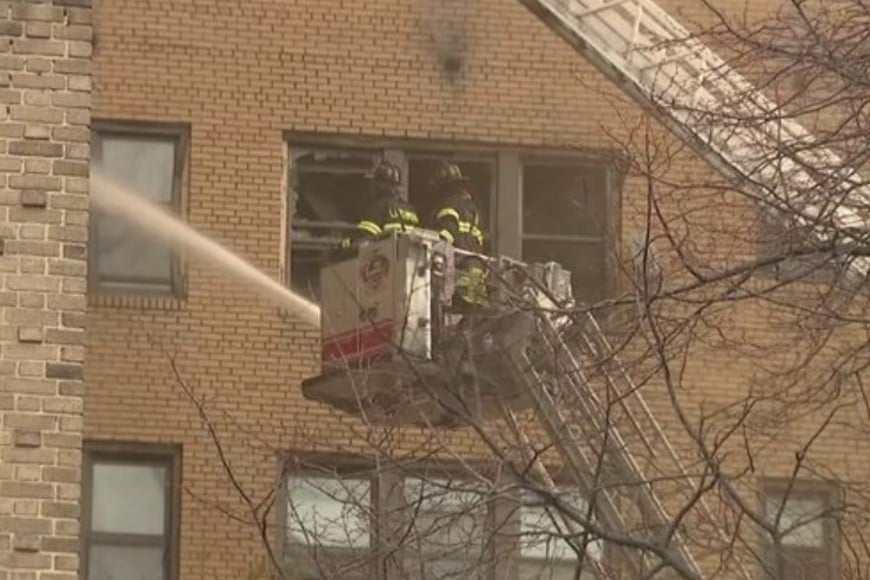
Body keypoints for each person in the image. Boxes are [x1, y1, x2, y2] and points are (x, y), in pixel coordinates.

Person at [430, 161, 489, 312]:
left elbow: (446, 235)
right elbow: (479, 240)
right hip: (476, 267)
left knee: (452, 315)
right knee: (472, 316)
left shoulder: (448, 204)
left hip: (457, 268)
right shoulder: (472, 208)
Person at [340, 160, 419, 249]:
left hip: (387, 258)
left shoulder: (376, 208)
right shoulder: (411, 209)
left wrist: (348, 243)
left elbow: (366, 238)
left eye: (375, 183)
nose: (372, 186)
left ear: (381, 185)